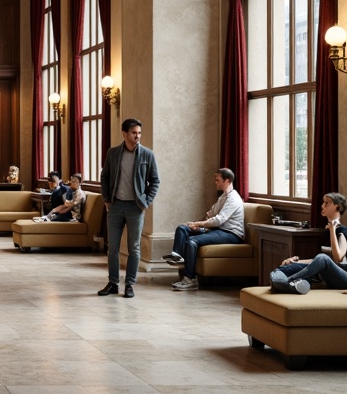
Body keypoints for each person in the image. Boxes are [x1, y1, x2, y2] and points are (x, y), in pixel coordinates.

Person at [98, 118, 160, 298]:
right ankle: (113, 283)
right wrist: (107, 199)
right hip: (115, 205)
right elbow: (105, 177)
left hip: (135, 207)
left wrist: (146, 201)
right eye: (134, 133)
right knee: (113, 247)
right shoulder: (113, 153)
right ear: (124, 134)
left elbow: (155, 181)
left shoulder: (148, 155)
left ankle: (130, 284)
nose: (137, 136)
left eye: (139, 133)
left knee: (134, 247)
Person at [165, 168, 244, 291]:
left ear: (227, 180)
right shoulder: (223, 197)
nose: (215, 182)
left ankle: (190, 280)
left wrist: (199, 224)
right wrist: (194, 224)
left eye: (217, 180)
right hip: (218, 230)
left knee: (192, 241)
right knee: (182, 228)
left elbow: (219, 220)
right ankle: (178, 256)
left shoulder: (234, 199)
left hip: (231, 234)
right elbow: (211, 213)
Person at [269, 192, 347, 294]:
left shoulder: (342, 230)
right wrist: (296, 262)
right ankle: (289, 285)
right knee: (284, 268)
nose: (322, 206)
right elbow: (317, 262)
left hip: (344, 279)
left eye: (326, 203)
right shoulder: (327, 232)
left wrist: (332, 230)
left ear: (337, 207)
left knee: (322, 257)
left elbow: (338, 257)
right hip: (325, 276)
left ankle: (288, 282)